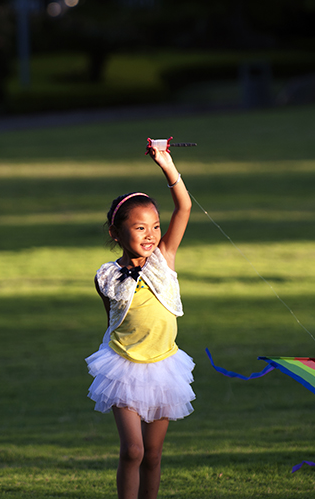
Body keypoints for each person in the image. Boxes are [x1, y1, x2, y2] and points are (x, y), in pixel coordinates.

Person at [86, 144, 194, 499]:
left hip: (164, 366)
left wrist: (167, 164)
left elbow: (185, 206)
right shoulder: (106, 276)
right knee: (133, 451)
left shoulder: (164, 259)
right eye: (139, 228)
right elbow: (113, 321)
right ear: (116, 234)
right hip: (124, 367)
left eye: (155, 227)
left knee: (153, 454)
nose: (150, 235)